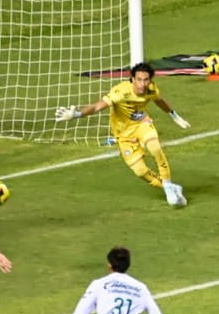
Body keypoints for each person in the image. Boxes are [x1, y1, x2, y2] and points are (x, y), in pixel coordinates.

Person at [54, 61, 190, 207]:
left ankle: (169, 187)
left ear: (150, 80)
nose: (142, 84)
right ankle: (169, 187)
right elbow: (97, 106)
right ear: (132, 78)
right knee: (140, 171)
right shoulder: (120, 92)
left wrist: (173, 115)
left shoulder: (151, 89)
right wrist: (78, 114)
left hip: (142, 125)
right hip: (124, 135)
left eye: (146, 80)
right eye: (139, 79)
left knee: (155, 147)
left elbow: (159, 100)